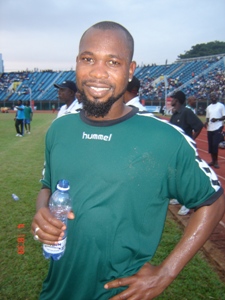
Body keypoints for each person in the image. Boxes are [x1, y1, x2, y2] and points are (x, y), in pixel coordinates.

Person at [31, 21, 225, 300]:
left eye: (113, 62)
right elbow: (47, 186)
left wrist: (166, 273)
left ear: (130, 70)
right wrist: (42, 213)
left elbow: (213, 202)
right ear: (77, 62)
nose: (97, 73)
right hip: (56, 290)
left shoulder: (163, 138)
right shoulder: (60, 129)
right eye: (88, 59)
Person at [169, 92, 204, 215]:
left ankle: (187, 203)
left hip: (185, 149)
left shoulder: (186, 112)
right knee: (177, 175)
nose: (171, 100)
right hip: (176, 149)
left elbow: (199, 126)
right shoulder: (176, 113)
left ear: (177, 100)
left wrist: (191, 140)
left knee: (185, 177)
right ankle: (179, 198)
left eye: (173, 98)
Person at [204, 91, 225, 168]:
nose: (213, 98)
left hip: (218, 127)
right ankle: (212, 160)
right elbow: (207, 117)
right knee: (211, 145)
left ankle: (216, 161)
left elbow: (224, 116)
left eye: (214, 96)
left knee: (215, 144)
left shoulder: (221, 106)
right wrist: (205, 123)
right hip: (210, 128)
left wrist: (217, 119)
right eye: (212, 96)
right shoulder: (208, 107)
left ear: (217, 97)